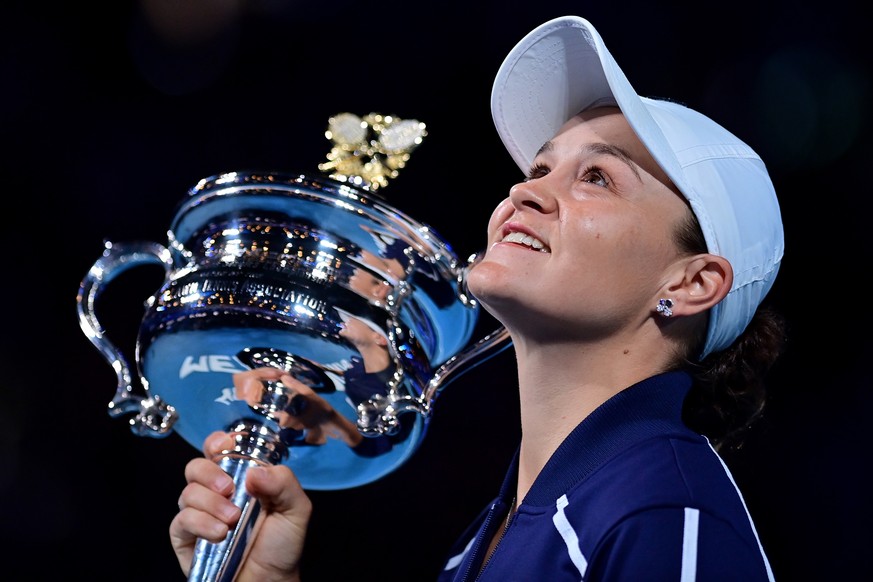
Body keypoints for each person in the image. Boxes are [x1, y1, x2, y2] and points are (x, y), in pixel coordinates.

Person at [170, 15, 785, 581]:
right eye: (540, 168)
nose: (527, 192)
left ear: (691, 282)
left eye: (597, 177)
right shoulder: (503, 529)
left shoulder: (665, 511)